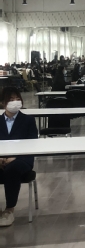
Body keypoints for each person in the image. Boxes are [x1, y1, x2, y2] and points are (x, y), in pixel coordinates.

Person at [0, 86, 39, 227]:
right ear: (2, 103)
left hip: (22, 159)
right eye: (11, 99)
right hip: (1, 158)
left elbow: (32, 144)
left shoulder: (28, 120)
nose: (15, 102)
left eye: (17, 99)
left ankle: (9, 209)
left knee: (12, 169)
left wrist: (15, 157)